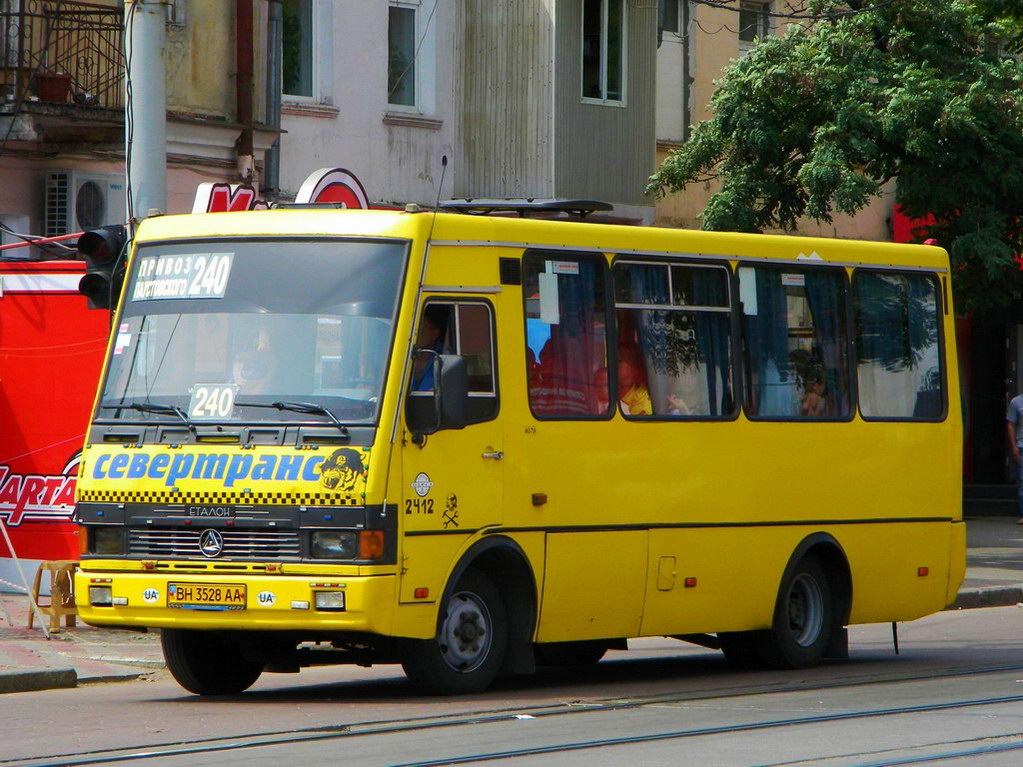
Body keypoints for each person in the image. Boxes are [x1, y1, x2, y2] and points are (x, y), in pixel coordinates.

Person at [412, 305, 448, 391]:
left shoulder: (446, 358)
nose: (413, 335)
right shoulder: (397, 356)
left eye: (419, 330)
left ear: (435, 334)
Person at [1006, 393, 1023, 524]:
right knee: (1022, 481)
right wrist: (1014, 446)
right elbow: (1011, 424)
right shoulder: (1016, 402)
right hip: (1021, 445)